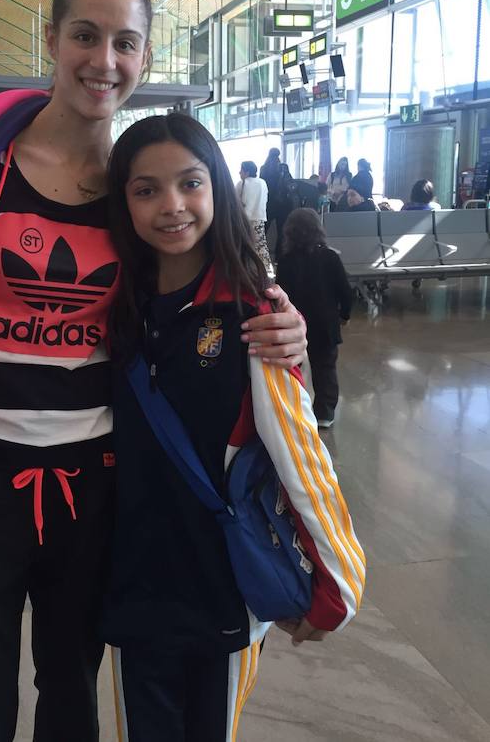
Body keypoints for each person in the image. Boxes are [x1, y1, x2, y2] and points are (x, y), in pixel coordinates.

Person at [0, 0, 308, 742]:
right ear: (51, 40)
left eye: (125, 42)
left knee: (73, 692)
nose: (103, 60)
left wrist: (279, 318)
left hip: (95, 483)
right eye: (85, 36)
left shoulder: (135, 190)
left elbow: (210, 291)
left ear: (144, 58)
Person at [102, 114, 365, 740]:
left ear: (218, 188)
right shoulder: (118, 306)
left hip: (219, 586)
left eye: (190, 183)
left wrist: (336, 589)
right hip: (130, 581)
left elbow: (302, 458)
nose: (172, 206)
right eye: (146, 190)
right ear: (125, 202)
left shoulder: (254, 313)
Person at [276, 208, 353, 428]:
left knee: (294, 366)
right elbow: (345, 291)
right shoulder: (330, 257)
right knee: (325, 368)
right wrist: (344, 314)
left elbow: (281, 295)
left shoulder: (286, 260)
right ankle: (324, 413)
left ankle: (295, 408)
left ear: (289, 233)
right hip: (325, 323)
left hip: (295, 324)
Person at [235, 160, 272, 273]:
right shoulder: (262, 182)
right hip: (259, 218)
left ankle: (244, 268)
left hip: (244, 219)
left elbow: (235, 201)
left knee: (242, 244)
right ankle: (267, 271)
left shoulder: (242, 183)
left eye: (241, 170)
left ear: (247, 172)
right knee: (261, 246)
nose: (239, 172)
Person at [259, 146, 281, 223]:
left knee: (266, 226)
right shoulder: (281, 168)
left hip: (267, 200)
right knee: (280, 228)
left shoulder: (263, 168)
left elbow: (261, 184)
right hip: (279, 201)